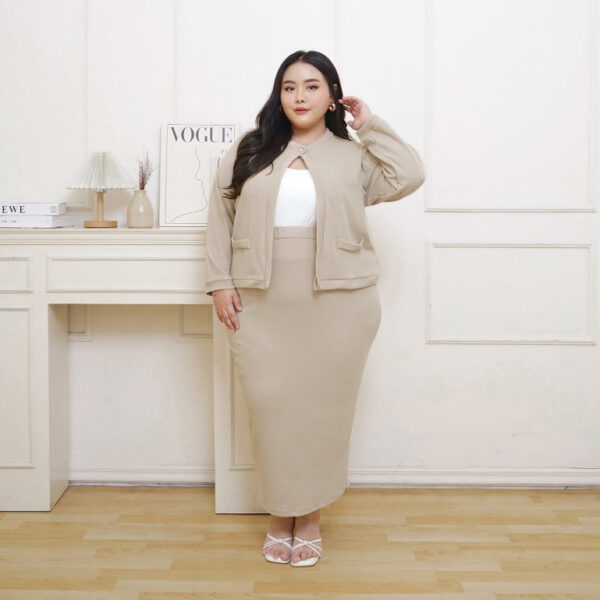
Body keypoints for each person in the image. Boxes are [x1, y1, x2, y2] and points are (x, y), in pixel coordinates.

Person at [205, 50, 425, 567]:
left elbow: (410, 174)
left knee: (323, 413)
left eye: (311, 86)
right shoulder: (250, 148)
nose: (299, 96)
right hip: (261, 299)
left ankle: (308, 519)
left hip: (339, 304)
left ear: (332, 97)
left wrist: (370, 125)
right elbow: (219, 215)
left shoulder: (354, 157)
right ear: (278, 95)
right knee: (272, 408)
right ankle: (280, 511)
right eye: (289, 87)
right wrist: (219, 283)